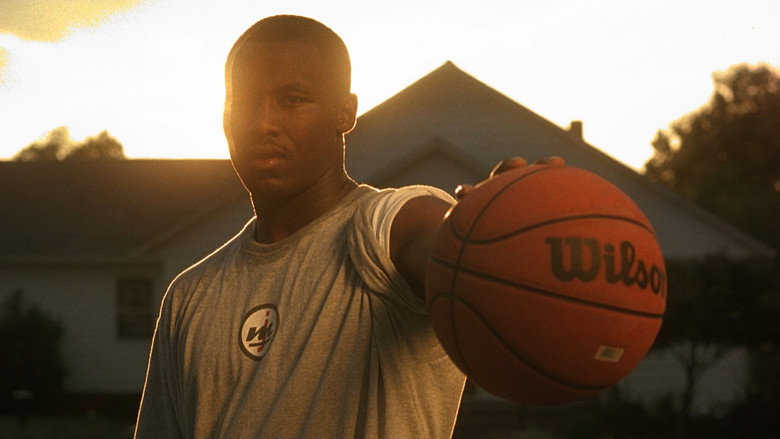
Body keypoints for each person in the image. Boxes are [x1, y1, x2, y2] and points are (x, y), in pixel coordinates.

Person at [134, 14, 560, 439]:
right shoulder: (189, 297)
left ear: (345, 113)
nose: (263, 123)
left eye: (293, 100)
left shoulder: (378, 229)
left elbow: (434, 242)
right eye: (244, 102)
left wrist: (488, 239)